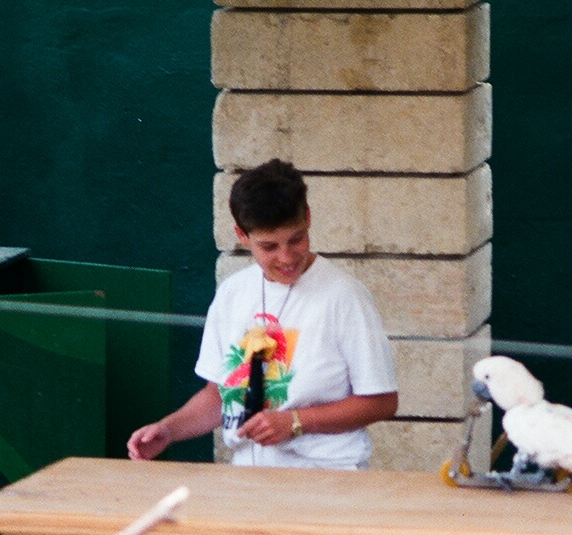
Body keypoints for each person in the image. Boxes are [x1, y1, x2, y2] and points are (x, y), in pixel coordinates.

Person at [127, 159, 398, 468]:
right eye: (269, 246)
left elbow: (382, 401)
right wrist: (168, 430)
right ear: (242, 235)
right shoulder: (232, 293)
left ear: (308, 218)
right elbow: (218, 395)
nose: (286, 257)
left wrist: (295, 421)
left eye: (296, 239)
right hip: (247, 478)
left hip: (325, 479)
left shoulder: (345, 296)